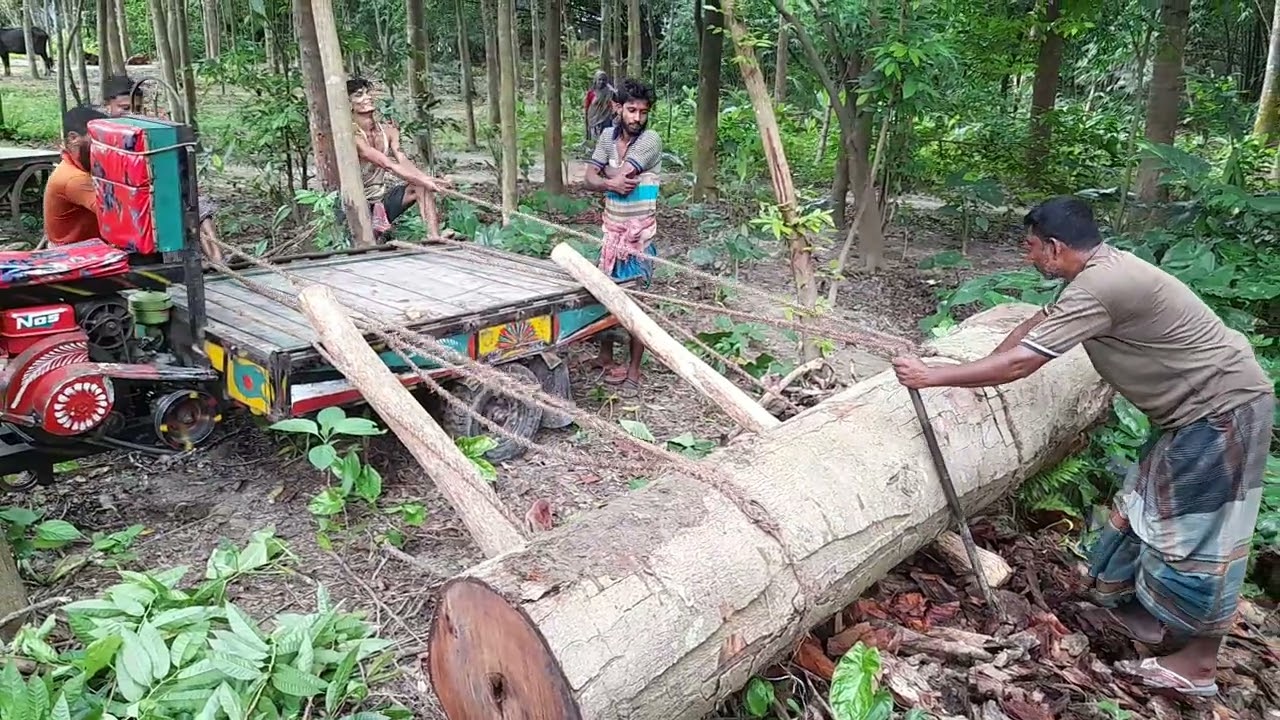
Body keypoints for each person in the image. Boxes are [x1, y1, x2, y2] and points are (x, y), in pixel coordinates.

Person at [892, 196, 1274, 698]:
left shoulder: (1101, 286)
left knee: (1198, 538)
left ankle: (1197, 665)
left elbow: (1022, 364)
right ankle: (1148, 620)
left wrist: (935, 376)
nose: (1027, 257)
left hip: (1221, 414)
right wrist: (975, 366)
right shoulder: (1095, 274)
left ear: (1054, 247)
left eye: (1031, 248)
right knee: (1150, 512)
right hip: (1195, 414)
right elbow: (1033, 330)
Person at [582, 77, 663, 395]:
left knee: (636, 305)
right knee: (606, 296)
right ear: (617, 108)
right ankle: (605, 356)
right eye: (631, 110)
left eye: (643, 112)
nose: (637, 119)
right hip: (611, 234)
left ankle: (633, 372)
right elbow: (590, 178)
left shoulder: (651, 139)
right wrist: (605, 181)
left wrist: (603, 177)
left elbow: (617, 174)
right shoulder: (606, 136)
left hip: (638, 239)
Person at [100, 75, 223, 263]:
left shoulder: (147, 131)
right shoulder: (102, 133)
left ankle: (217, 258)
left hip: (154, 192)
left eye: (138, 108)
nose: (132, 113)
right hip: (120, 208)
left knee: (196, 204)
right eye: (125, 109)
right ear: (107, 106)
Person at [345, 76, 448, 242]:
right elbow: (386, 164)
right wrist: (425, 180)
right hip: (354, 206)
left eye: (367, 93)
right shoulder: (352, 135)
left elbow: (403, 161)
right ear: (348, 104)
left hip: (379, 201)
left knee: (420, 187)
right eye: (359, 95)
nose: (367, 97)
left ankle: (434, 237)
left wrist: (426, 180)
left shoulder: (389, 131)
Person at [43, 105, 108, 246]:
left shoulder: (72, 166)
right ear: (73, 138)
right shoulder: (74, 179)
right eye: (98, 140)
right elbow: (113, 213)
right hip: (73, 252)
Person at [584, 70, 614, 147]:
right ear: (595, 80)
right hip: (594, 120)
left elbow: (613, 104)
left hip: (606, 119)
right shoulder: (591, 93)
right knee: (595, 139)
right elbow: (587, 107)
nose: (601, 82)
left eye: (603, 80)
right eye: (599, 79)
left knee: (606, 139)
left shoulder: (610, 93)